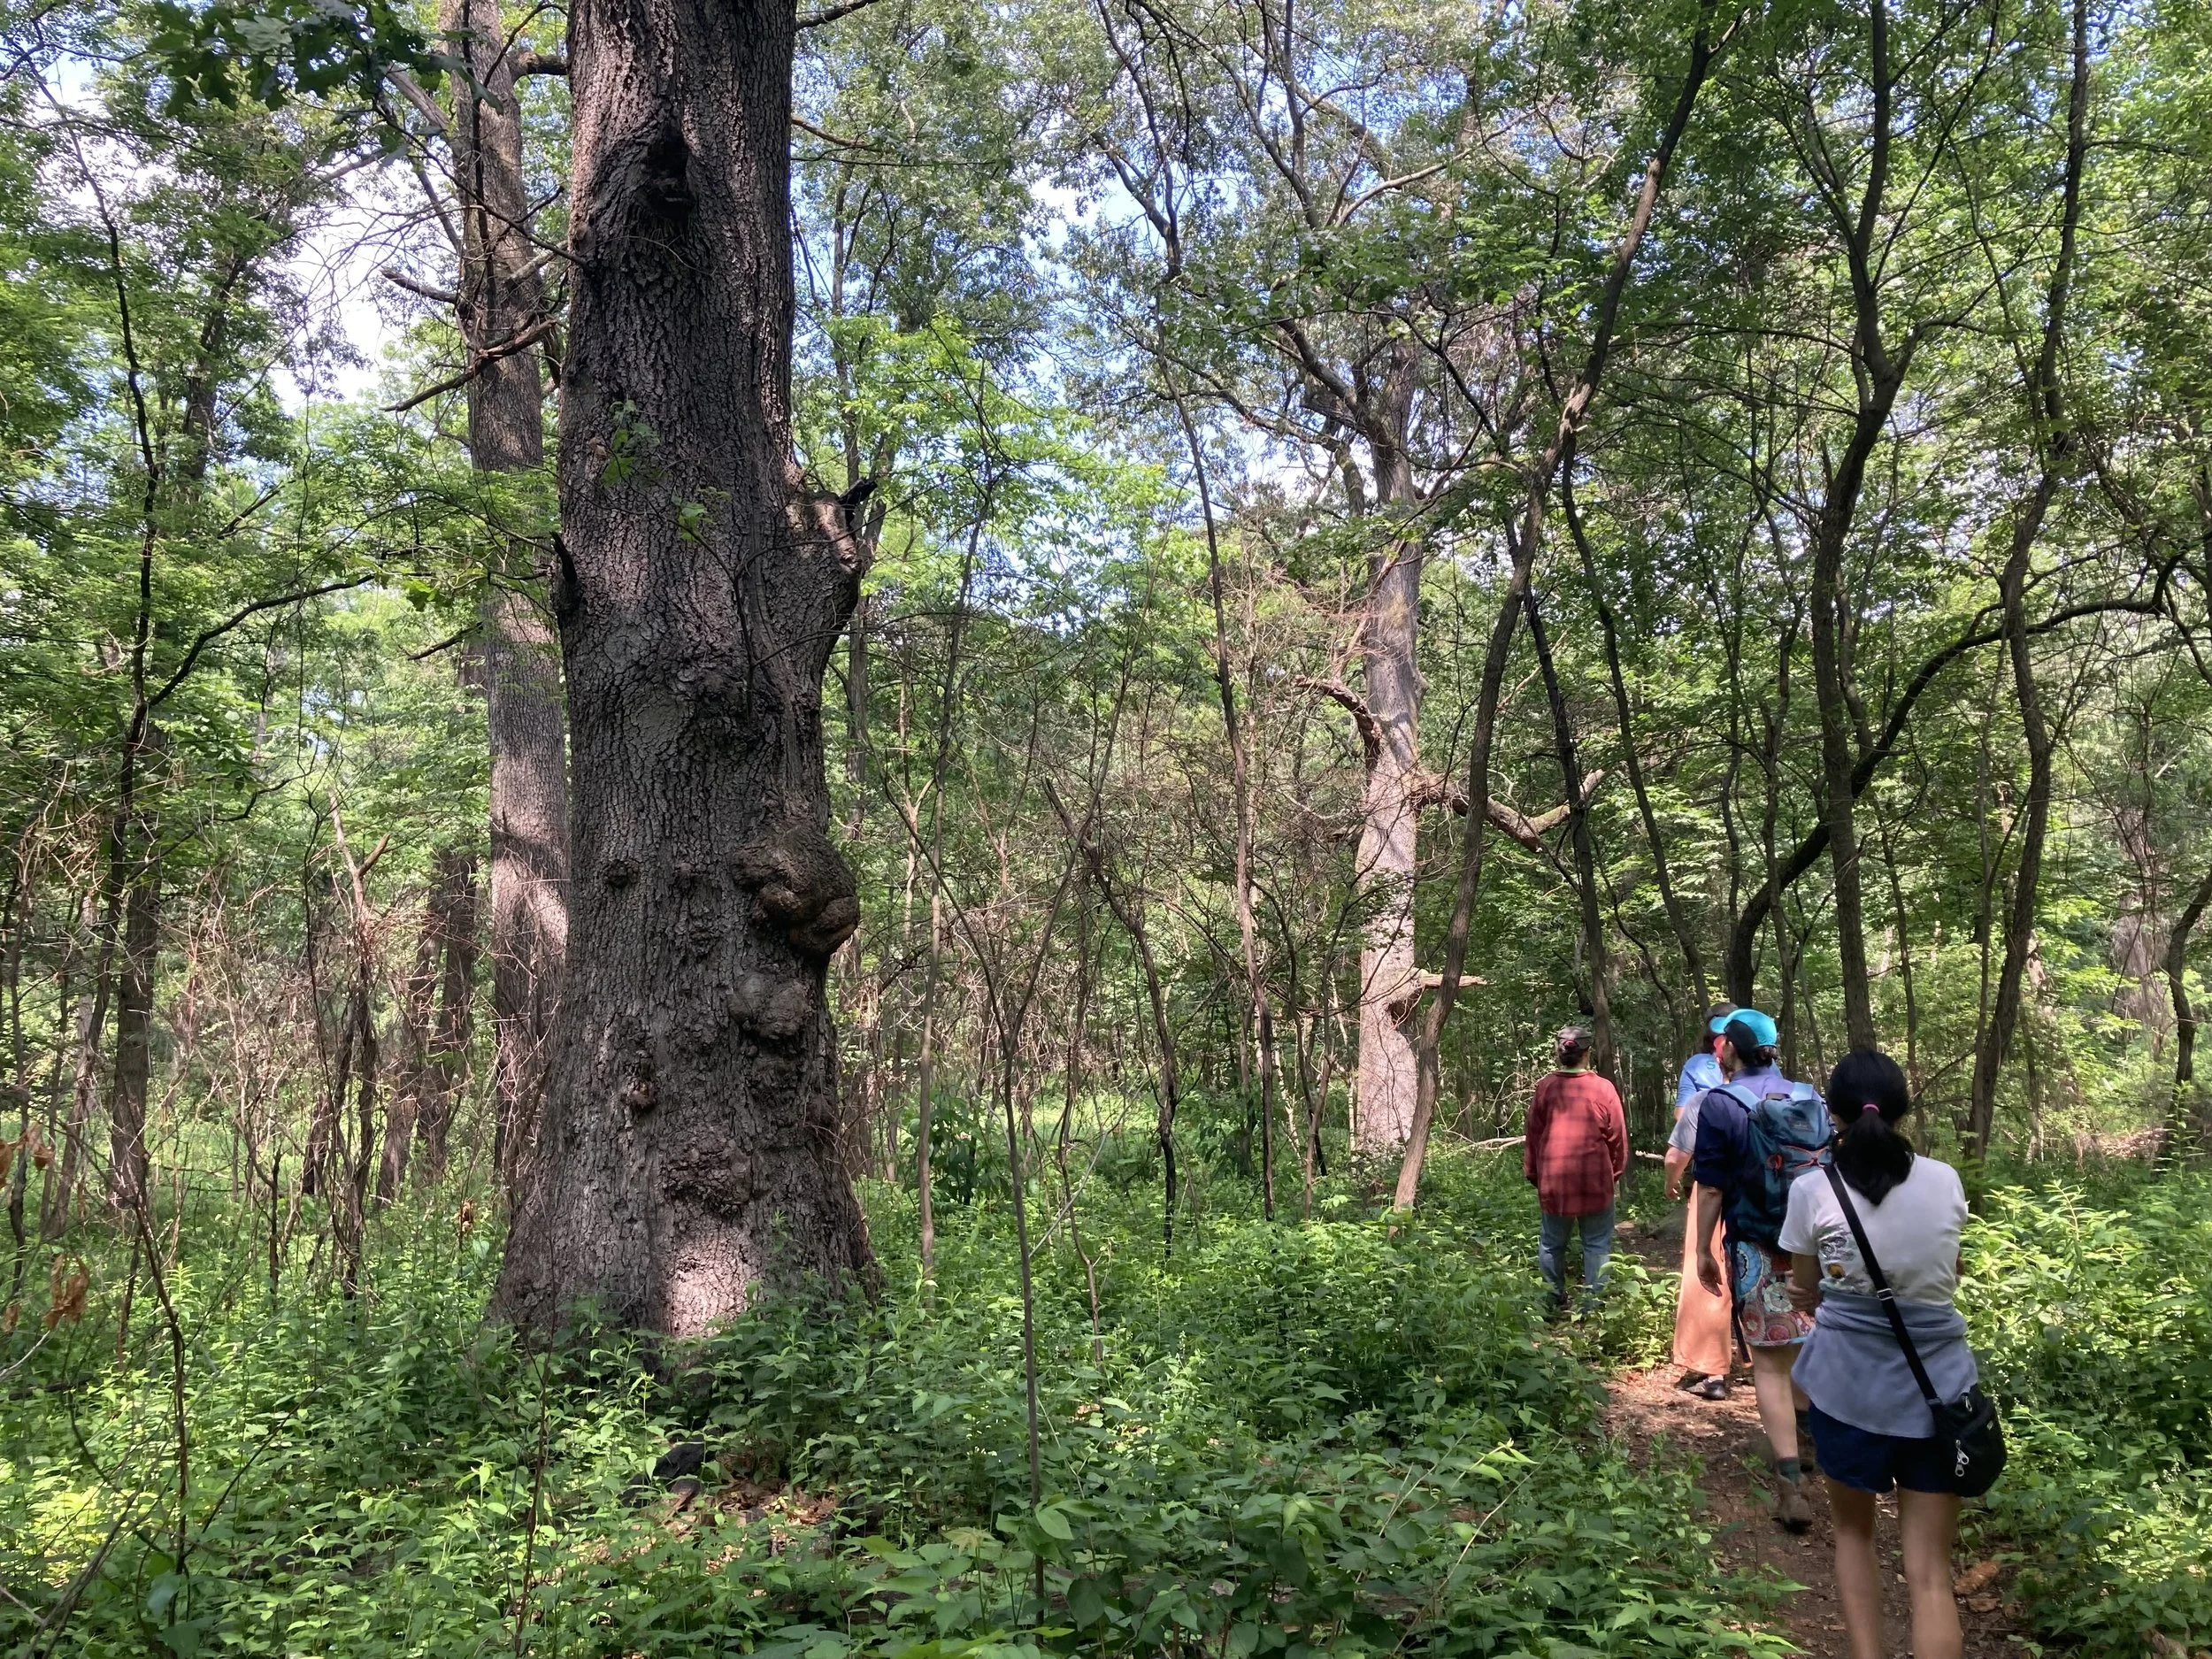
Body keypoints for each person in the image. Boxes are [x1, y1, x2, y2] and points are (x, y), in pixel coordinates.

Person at [1783, 1050, 1975, 1659]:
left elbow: (1805, 1286)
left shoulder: (1813, 1188)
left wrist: (1808, 1288)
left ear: (1832, 1113)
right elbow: (1949, 1270)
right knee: (1930, 1574)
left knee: (1853, 1536)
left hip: (1847, 1387)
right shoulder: (1944, 1179)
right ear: (1901, 1108)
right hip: (1938, 1389)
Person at [1691, 1008, 1829, 1531]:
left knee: (1770, 1361)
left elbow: (1711, 1186)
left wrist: (1704, 1248)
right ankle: (1811, 1438)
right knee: (1806, 1343)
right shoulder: (1808, 1097)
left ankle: (1791, 1480)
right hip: (1815, 1246)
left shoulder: (1722, 1103)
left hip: (1755, 1243)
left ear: (1729, 1050)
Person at [1524, 1025, 1628, 1314]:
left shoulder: (1546, 1087)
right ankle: (1594, 1308)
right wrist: (1613, 1174)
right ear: (1587, 1053)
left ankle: (1552, 1299)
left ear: (1559, 1053)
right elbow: (1617, 1137)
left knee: (1551, 1244)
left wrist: (1535, 1174)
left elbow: (1533, 1135)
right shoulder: (1602, 1088)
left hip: (1555, 1182)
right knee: (1596, 1245)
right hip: (1595, 1181)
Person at [1666, 1003, 1737, 1398]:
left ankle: (1713, 1372)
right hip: (1766, 1192)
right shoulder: (1785, 1085)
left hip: (1713, 1181)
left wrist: (1672, 1178)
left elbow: (1682, 1121)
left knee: (1707, 1267)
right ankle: (1783, 1376)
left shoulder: (1699, 1078)